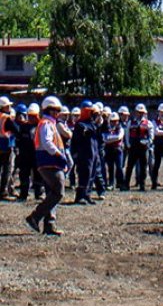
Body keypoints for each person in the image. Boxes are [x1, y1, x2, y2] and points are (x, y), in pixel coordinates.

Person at [25, 97, 69, 236]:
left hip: (50, 162)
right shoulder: (46, 124)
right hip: (49, 163)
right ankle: (35, 217)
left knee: (52, 192)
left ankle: (49, 225)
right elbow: (47, 142)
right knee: (58, 192)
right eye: (56, 110)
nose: (58, 113)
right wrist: (59, 155)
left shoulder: (49, 123)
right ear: (50, 110)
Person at [70, 102, 100, 205]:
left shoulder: (92, 123)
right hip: (84, 155)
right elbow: (76, 140)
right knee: (84, 175)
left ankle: (87, 195)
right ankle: (79, 196)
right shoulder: (80, 124)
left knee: (92, 174)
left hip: (93, 153)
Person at [124, 103, 152, 191]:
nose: (140, 114)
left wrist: (148, 142)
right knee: (130, 166)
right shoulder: (130, 122)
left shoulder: (148, 123)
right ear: (135, 112)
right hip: (133, 147)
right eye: (138, 112)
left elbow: (151, 136)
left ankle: (142, 185)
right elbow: (127, 134)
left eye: (141, 112)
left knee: (143, 167)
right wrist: (128, 144)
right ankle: (126, 184)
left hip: (143, 148)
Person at [104, 111, 126, 190]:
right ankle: (111, 184)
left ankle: (121, 184)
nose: (114, 122)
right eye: (112, 121)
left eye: (115, 121)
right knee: (110, 168)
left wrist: (110, 138)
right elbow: (105, 139)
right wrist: (113, 138)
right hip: (109, 150)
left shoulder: (121, 128)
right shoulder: (106, 128)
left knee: (119, 167)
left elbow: (119, 137)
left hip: (118, 150)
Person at [0, 96, 17, 199]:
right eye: (7, 106)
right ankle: (3, 192)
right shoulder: (6, 118)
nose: (9, 108)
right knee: (7, 169)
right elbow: (16, 129)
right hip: (6, 145)